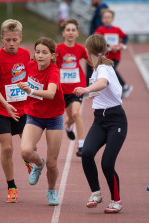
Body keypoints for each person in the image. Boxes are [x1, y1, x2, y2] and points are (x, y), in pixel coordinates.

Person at [73, 34, 127, 214]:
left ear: (87, 51)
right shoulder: (96, 69)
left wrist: (86, 89)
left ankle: (116, 201)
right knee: (87, 153)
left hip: (116, 120)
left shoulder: (104, 68)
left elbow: (102, 84)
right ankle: (95, 192)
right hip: (100, 120)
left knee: (107, 164)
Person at [0, 19, 33, 203]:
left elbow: (30, 77)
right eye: (8, 40)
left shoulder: (26, 54)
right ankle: (12, 186)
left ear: (21, 38)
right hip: (0, 108)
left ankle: (29, 163)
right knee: (7, 149)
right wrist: (6, 104)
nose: (11, 44)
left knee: (29, 148)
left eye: (15, 39)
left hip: (22, 108)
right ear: (2, 39)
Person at [18, 37, 65, 206]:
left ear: (53, 55)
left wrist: (31, 89)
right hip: (34, 116)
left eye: (44, 53)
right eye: (37, 52)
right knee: (25, 151)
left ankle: (51, 191)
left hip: (54, 118)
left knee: (52, 164)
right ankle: (38, 163)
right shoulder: (30, 66)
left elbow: (51, 93)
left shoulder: (54, 71)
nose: (40, 55)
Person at [56, 18, 92, 157]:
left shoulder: (80, 49)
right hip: (63, 88)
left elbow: (92, 60)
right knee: (70, 116)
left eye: (73, 30)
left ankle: (81, 145)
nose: (71, 32)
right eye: (68, 30)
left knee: (76, 114)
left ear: (77, 33)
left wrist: (101, 60)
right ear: (64, 33)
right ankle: (68, 125)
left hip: (78, 86)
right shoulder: (58, 49)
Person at [95, 9, 133, 99]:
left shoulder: (117, 29)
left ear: (112, 19)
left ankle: (124, 87)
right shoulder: (100, 30)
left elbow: (125, 37)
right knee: (108, 72)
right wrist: (108, 46)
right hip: (104, 56)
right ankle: (122, 87)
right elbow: (97, 40)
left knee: (111, 70)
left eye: (108, 17)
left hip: (115, 56)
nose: (107, 19)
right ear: (102, 19)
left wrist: (121, 44)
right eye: (105, 17)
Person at [86, 0, 108, 87]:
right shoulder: (99, 8)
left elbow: (99, 27)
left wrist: (94, 43)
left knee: (93, 64)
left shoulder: (101, 8)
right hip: (95, 41)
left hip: (95, 42)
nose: (91, 1)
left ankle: (90, 87)